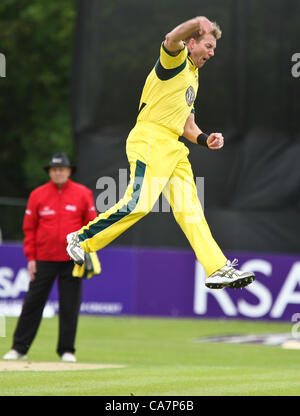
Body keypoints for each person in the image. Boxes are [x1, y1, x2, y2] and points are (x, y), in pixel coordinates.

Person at [66, 16, 255, 290]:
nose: (212, 53)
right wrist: (197, 22)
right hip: (151, 137)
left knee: (191, 212)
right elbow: (170, 38)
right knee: (139, 203)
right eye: (209, 45)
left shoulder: (194, 76)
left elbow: (187, 126)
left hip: (174, 147)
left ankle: (217, 268)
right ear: (192, 43)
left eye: (214, 48)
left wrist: (205, 139)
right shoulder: (175, 61)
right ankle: (81, 240)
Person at [3, 152, 97, 362]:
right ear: (50, 172)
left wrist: (87, 253)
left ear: (69, 171)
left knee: (70, 306)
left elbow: (91, 225)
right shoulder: (37, 195)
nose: (58, 172)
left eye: (62, 169)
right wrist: (31, 258)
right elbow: (29, 229)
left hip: (72, 260)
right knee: (32, 304)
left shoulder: (83, 193)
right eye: (54, 169)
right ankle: (19, 348)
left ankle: (67, 350)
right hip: (43, 259)